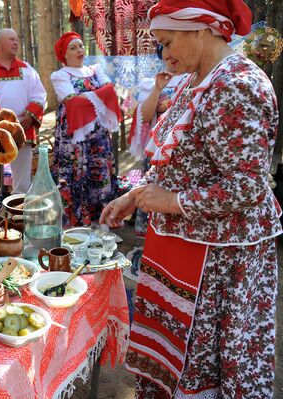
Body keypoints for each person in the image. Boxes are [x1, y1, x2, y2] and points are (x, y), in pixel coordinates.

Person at [100, 0, 280, 397]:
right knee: (174, 357)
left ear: (201, 28)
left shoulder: (237, 85)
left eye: (167, 43)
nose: (165, 55)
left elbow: (247, 186)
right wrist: (137, 193)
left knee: (203, 363)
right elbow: (177, 159)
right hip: (186, 250)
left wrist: (169, 202)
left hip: (219, 259)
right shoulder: (195, 80)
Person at [50, 32, 121, 227]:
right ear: (64, 55)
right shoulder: (60, 76)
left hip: (98, 136)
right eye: (73, 48)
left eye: (80, 46)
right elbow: (73, 102)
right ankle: (77, 226)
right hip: (74, 138)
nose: (79, 50)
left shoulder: (95, 69)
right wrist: (100, 96)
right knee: (75, 176)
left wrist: (89, 98)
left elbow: (110, 92)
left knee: (100, 174)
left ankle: (103, 223)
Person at [129, 55, 186, 236]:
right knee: (152, 189)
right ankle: (149, 234)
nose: (171, 55)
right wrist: (157, 88)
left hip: (182, 152)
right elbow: (145, 117)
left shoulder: (194, 80)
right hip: (157, 149)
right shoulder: (153, 82)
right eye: (166, 49)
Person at [0, 29, 46, 195]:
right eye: (11, 39)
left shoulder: (26, 68)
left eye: (17, 40)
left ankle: (19, 217)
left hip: (23, 128)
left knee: (22, 181)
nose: (16, 43)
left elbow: (40, 94)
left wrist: (29, 116)